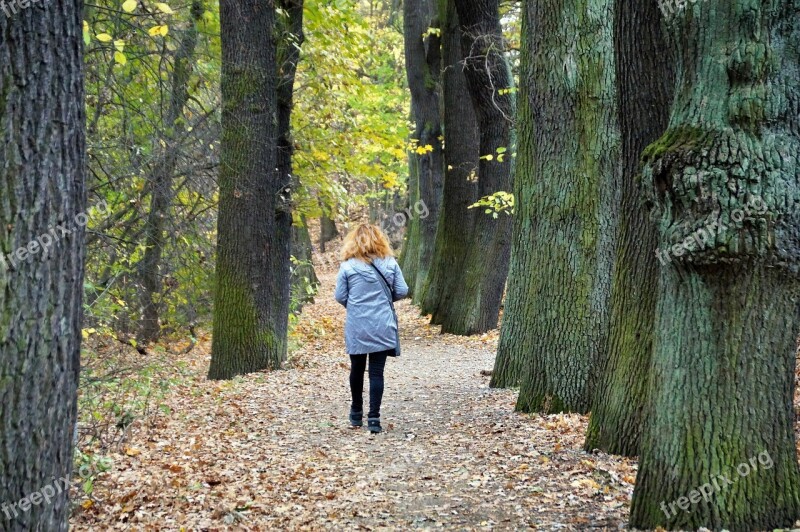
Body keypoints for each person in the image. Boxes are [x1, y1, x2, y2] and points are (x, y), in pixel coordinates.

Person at [334, 223, 408, 433]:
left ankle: (356, 412)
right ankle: (374, 419)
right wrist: (385, 301)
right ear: (380, 240)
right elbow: (402, 290)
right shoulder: (390, 262)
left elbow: (340, 296)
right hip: (382, 324)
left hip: (357, 325)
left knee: (356, 369)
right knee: (377, 373)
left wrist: (356, 306)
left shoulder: (348, 266)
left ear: (354, 241)